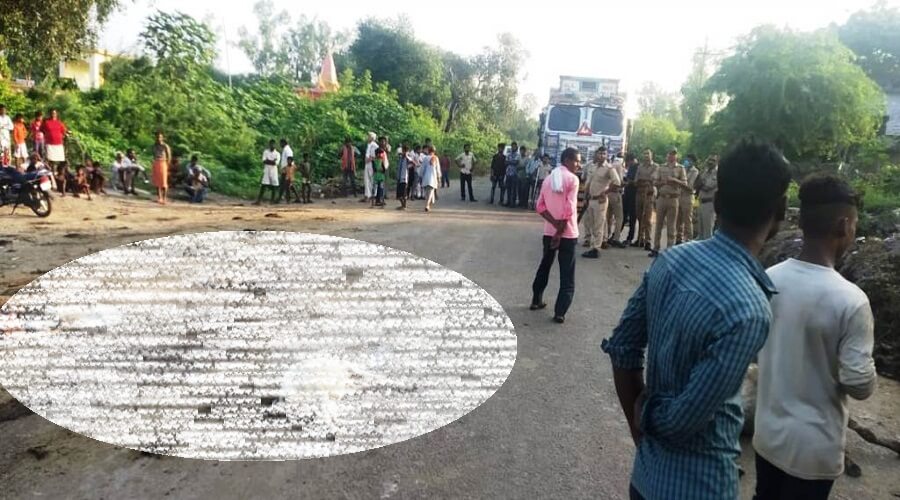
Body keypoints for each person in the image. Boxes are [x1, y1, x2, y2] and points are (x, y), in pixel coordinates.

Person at [601, 137, 791, 500]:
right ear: (780, 212)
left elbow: (623, 348)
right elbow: (681, 422)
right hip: (701, 485)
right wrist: (649, 416)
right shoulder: (749, 309)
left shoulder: (673, 260)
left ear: (717, 202)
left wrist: (639, 419)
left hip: (645, 478)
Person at [753, 174, 876, 500]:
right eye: (854, 224)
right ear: (843, 225)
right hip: (814, 452)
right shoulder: (851, 300)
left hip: (767, 438)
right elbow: (859, 384)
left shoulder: (769, 279)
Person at [530, 147, 581, 324]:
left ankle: (536, 300)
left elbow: (539, 206)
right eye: (576, 160)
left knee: (545, 265)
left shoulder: (549, 179)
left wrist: (553, 224)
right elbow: (569, 209)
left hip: (549, 232)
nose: (578, 164)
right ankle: (560, 311)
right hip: (567, 233)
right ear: (567, 160)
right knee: (567, 274)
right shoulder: (572, 180)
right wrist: (560, 231)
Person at [581, 147, 621, 259]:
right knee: (591, 223)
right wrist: (585, 197)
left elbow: (617, 183)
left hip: (600, 200)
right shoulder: (593, 167)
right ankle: (592, 245)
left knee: (599, 224)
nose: (602, 155)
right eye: (600, 153)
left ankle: (596, 248)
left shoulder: (609, 168)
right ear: (596, 154)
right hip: (591, 199)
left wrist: (606, 192)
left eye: (604, 154)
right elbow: (588, 183)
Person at [649, 149, 688, 257]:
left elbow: (685, 183)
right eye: (669, 154)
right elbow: (654, 180)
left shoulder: (680, 168)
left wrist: (675, 181)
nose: (671, 157)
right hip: (662, 197)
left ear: (676, 157)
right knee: (658, 224)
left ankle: (670, 250)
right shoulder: (661, 167)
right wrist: (663, 182)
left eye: (673, 155)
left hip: (673, 198)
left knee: (672, 225)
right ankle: (655, 248)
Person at [634, 150, 658, 250]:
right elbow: (636, 181)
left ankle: (648, 240)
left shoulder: (656, 167)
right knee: (639, 217)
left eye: (648, 154)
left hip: (649, 194)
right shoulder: (640, 167)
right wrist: (644, 181)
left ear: (652, 155)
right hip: (639, 193)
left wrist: (644, 181)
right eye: (644, 154)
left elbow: (653, 180)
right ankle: (640, 238)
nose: (646, 156)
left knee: (647, 218)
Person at [677, 154, 700, 244]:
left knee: (687, 220)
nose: (687, 161)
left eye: (689, 160)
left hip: (688, 197)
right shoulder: (683, 169)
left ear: (693, 162)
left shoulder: (695, 171)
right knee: (678, 220)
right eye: (686, 159)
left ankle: (689, 240)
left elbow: (690, 186)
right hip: (679, 196)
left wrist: (678, 182)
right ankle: (679, 239)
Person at [696, 155, 719, 239]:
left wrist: (701, 183)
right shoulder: (704, 172)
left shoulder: (717, 173)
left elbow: (707, 187)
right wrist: (701, 183)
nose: (710, 162)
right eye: (709, 160)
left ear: (716, 162)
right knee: (700, 233)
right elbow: (697, 185)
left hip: (709, 204)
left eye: (713, 160)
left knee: (707, 233)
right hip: (701, 202)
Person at [606, 156, 627, 247]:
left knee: (608, 217)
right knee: (619, 217)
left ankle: (605, 236)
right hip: (616, 193)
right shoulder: (620, 166)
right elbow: (620, 181)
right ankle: (616, 238)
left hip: (608, 194)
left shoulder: (609, 166)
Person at [254, 139, 281, 205]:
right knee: (264, 184)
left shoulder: (277, 153)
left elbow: (276, 163)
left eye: (273, 144)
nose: (272, 145)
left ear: (275, 145)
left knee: (274, 185)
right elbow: (264, 161)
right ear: (269, 144)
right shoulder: (266, 152)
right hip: (267, 170)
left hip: (274, 171)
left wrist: (268, 160)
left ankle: (272, 200)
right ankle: (259, 201)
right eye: (271, 144)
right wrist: (272, 161)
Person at [622, 153, 640, 245]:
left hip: (634, 195)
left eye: (627, 162)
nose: (627, 164)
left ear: (631, 160)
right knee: (623, 215)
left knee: (632, 217)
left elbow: (637, 182)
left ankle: (630, 237)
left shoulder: (638, 168)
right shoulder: (631, 168)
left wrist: (629, 182)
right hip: (627, 194)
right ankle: (617, 235)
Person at [151, 131, 172, 205]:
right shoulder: (154, 146)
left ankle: (164, 198)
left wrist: (167, 165)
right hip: (156, 162)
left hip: (163, 162)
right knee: (157, 181)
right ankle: (159, 197)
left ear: (162, 138)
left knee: (163, 182)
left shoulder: (165, 146)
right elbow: (153, 154)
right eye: (157, 137)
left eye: (160, 137)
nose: (158, 138)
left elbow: (169, 156)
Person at [421, 145, 440, 212]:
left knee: (427, 193)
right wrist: (439, 177)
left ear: (428, 151)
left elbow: (422, 168)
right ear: (434, 151)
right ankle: (427, 205)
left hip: (426, 177)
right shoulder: (436, 158)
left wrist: (421, 175)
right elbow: (438, 169)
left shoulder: (425, 158)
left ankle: (428, 205)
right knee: (431, 192)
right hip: (433, 177)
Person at [504, 142, 520, 208]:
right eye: (512, 146)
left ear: (516, 147)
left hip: (515, 174)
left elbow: (516, 162)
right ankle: (508, 201)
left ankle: (513, 203)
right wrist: (511, 162)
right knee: (508, 188)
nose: (513, 147)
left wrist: (509, 162)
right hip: (508, 173)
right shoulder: (508, 154)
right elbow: (505, 162)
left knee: (514, 189)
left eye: (514, 146)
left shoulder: (518, 155)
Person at [363, 132, 378, 203]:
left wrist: (368, 159)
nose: (367, 137)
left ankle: (372, 195)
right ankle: (367, 195)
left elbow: (375, 156)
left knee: (371, 180)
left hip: (371, 164)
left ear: (372, 138)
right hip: (367, 164)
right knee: (366, 180)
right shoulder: (368, 145)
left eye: (368, 136)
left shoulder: (374, 145)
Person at [396, 143, 410, 210]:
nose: (403, 152)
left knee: (404, 194)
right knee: (399, 194)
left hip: (404, 178)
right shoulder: (401, 158)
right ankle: (402, 205)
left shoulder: (408, 158)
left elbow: (414, 163)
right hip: (399, 177)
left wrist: (407, 157)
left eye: (404, 151)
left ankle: (404, 206)